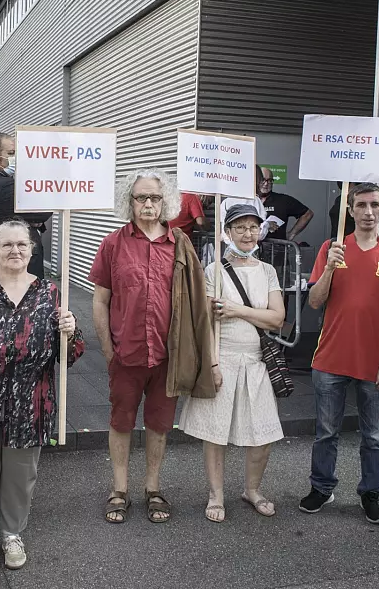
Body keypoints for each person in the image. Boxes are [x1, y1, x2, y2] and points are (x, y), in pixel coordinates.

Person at [0, 219, 84, 573]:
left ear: (32, 250)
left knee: (21, 474)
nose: (15, 251)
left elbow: (72, 353)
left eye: (22, 245)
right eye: (6, 245)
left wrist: (70, 331)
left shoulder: (51, 292)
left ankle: (11, 534)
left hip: (31, 402)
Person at [90, 169, 219, 525]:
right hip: (125, 353)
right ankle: (119, 489)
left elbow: (196, 297)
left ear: (166, 203)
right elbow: (99, 301)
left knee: (160, 424)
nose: (148, 204)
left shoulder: (180, 244)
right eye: (141, 197)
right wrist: (107, 349)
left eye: (155, 198)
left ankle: (152, 488)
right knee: (121, 421)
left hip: (168, 355)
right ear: (128, 202)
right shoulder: (112, 243)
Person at [299, 182, 379, 525]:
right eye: (361, 205)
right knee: (326, 431)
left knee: (374, 436)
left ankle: (371, 492)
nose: (368, 211)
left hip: (375, 361)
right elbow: (315, 301)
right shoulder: (331, 249)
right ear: (349, 210)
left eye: (374, 204)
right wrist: (331, 269)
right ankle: (322, 487)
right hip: (330, 360)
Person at [180, 204, 285, 523]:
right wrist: (211, 364)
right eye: (240, 227)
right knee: (215, 433)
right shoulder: (213, 270)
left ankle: (252, 490)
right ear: (226, 232)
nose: (247, 233)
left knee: (264, 434)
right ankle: (216, 494)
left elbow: (277, 318)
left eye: (253, 227)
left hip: (256, 361)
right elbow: (207, 323)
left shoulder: (268, 270)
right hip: (223, 357)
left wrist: (238, 310)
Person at [0, 132, 52, 277]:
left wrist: (30, 220)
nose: (16, 158)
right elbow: (44, 212)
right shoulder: (6, 186)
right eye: (11, 153)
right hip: (19, 267)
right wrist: (31, 221)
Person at [259, 166, 313, 242]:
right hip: (250, 249)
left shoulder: (283, 200)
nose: (266, 184)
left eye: (270, 180)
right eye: (263, 180)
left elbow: (308, 214)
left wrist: (292, 234)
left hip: (277, 249)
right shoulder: (248, 201)